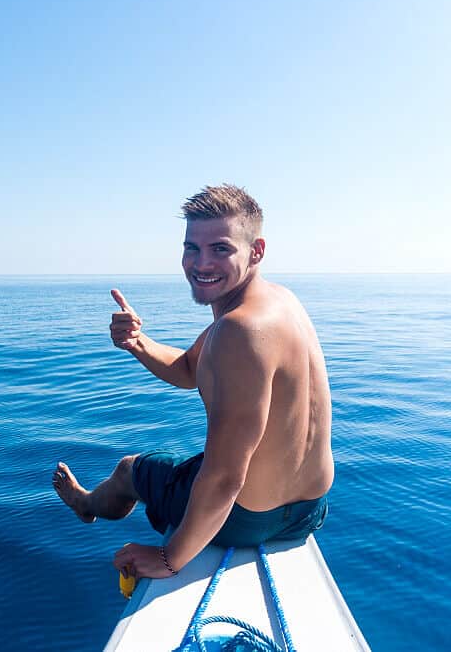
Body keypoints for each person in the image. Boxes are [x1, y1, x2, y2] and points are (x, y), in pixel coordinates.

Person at [52, 184, 334, 579]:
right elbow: (188, 369)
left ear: (256, 251)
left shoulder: (239, 330)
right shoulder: (278, 302)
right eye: (191, 248)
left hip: (249, 520)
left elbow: (224, 477)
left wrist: (170, 558)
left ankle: (87, 505)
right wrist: (137, 342)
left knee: (131, 469)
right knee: (189, 461)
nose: (201, 263)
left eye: (220, 248)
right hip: (309, 511)